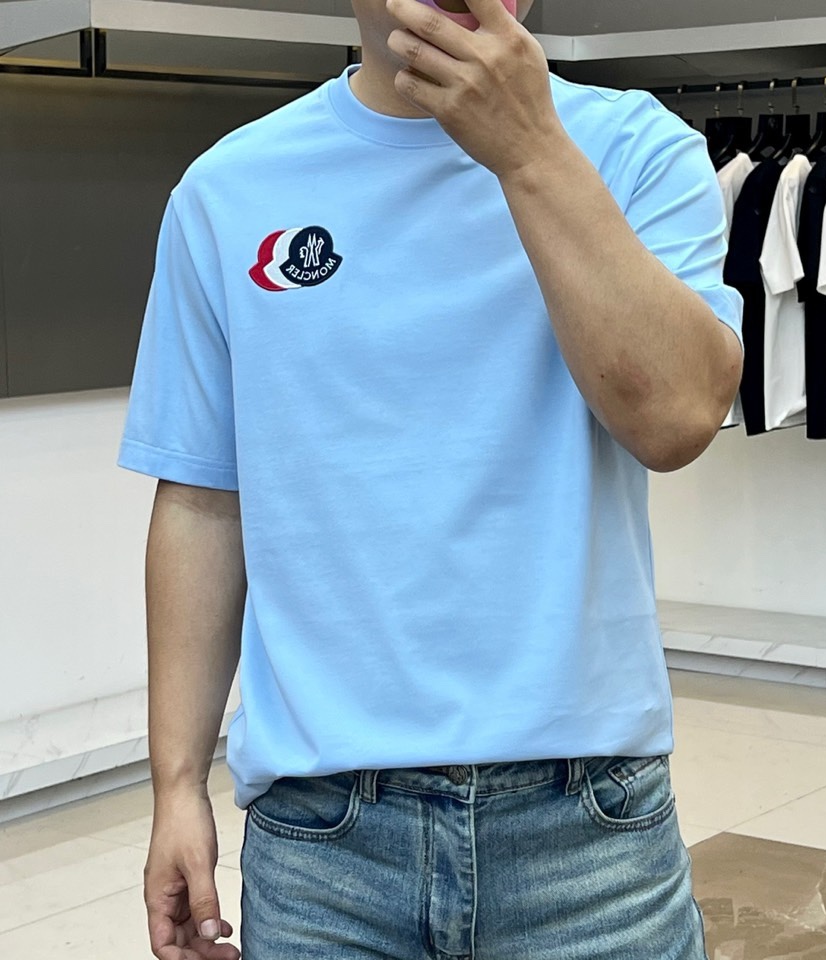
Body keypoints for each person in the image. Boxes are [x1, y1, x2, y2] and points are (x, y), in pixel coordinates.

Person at [117, 0, 744, 957]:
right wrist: (175, 786)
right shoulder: (230, 189)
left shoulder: (634, 149)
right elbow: (204, 503)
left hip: (588, 827)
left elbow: (677, 418)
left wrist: (528, 152)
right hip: (323, 843)